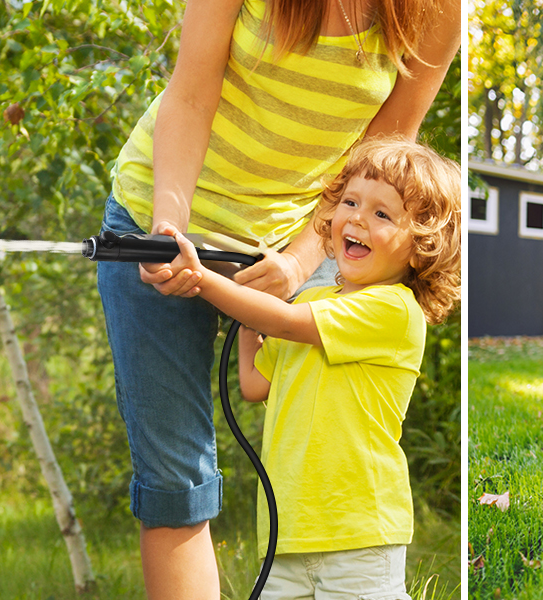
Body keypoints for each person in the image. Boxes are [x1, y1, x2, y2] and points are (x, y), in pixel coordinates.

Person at [93, 1, 459, 597]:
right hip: (162, 214)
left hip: (314, 236)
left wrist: (296, 260)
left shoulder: (438, 10)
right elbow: (189, 95)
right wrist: (168, 232)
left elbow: (383, 152)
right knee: (173, 481)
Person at [149, 137, 461, 599]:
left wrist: (204, 280)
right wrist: (249, 309)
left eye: (381, 214)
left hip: (358, 532)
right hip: (288, 529)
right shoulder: (315, 300)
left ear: (421, 248)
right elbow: (256, 384)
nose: (356, 218)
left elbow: (286, 320)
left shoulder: (394, 309)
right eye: (350, 202)